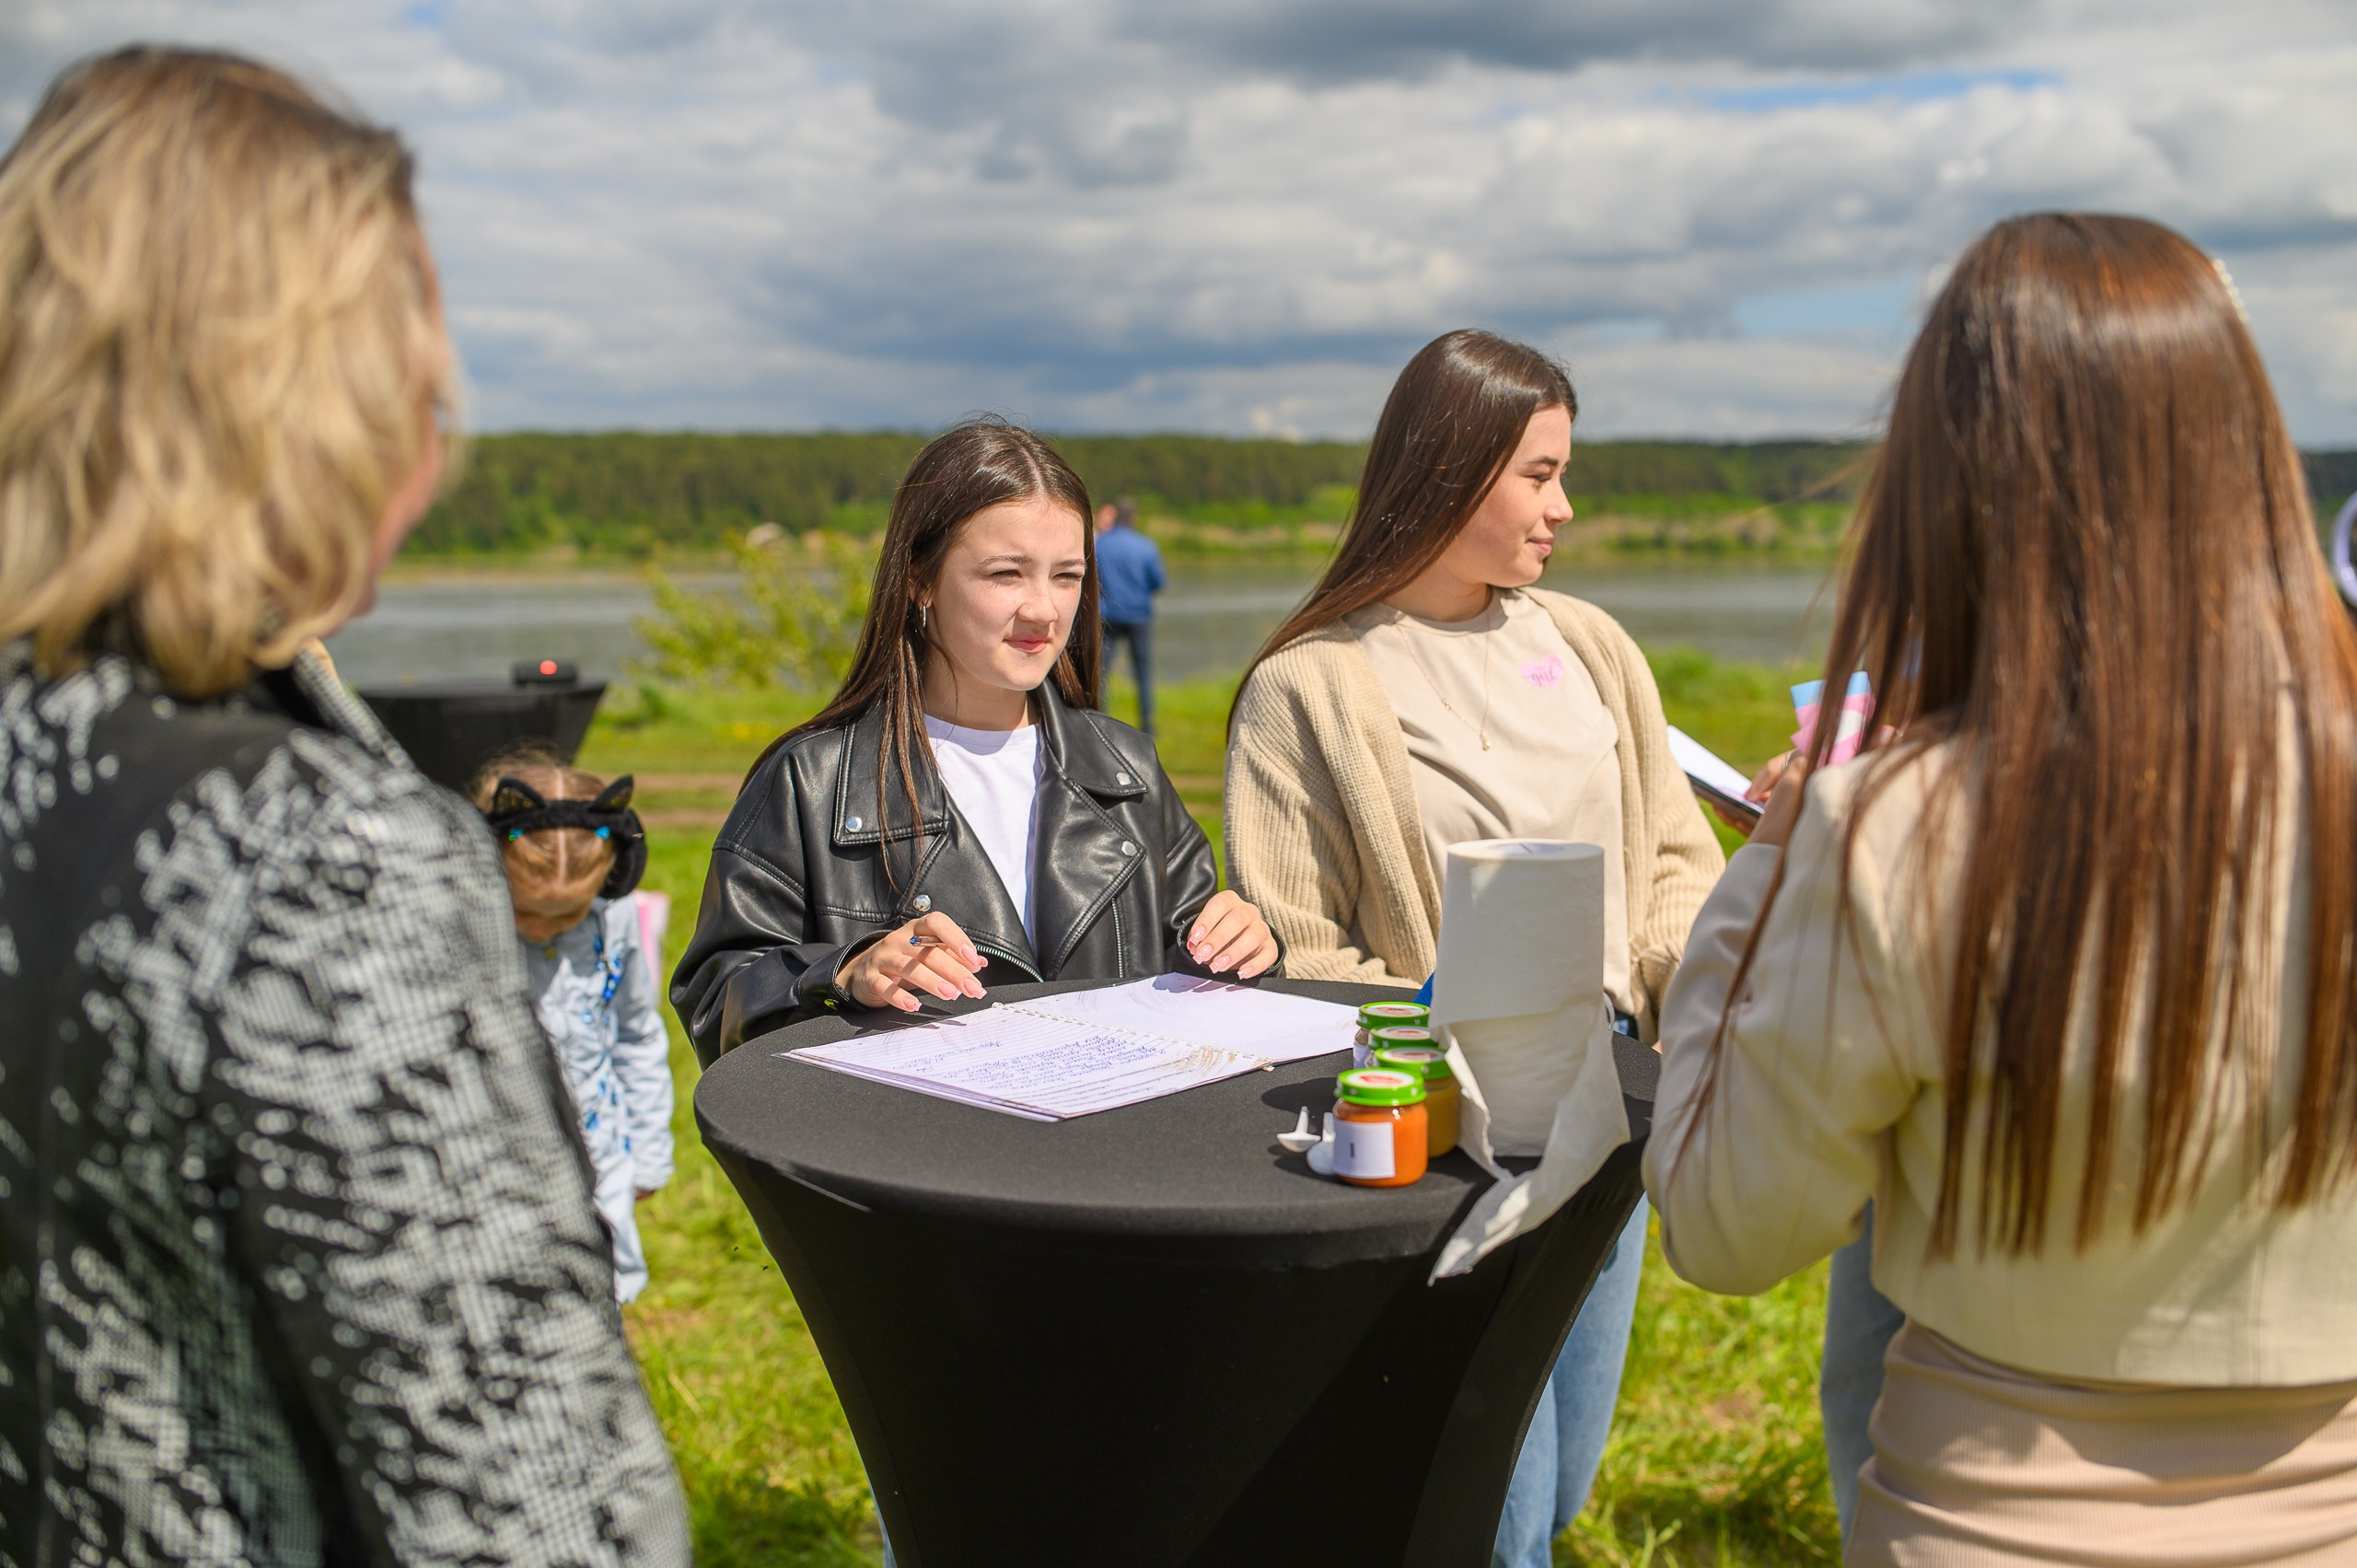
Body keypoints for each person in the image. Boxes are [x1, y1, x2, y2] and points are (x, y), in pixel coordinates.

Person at [0, 47, 687, 1564]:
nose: (435, 441)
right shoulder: (321, 856)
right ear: (305, 404)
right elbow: (534, 1510)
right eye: (413, 372)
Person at [1646, 213, 2357, 1564]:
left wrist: (1776, 856)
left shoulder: (1895, 828)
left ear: (1950, 475)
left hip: (1987, 1516)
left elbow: (1726, 1225)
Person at [1223, 330, 1724, 1566]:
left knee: (1559, 1483)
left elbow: (1672, 853)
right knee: (1493, 1503)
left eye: (1564, 472)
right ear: (1448, 472)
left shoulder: (1594, 645)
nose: (1564, 505)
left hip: (1616, 1094)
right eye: (1539, 474)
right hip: (1452, 1126)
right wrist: (1460, 1022)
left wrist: (1675, 1018)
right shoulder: (1311, 686)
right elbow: (1297, 954)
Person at [672, 417, 1278, 1063]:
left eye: (1067, 576)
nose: (1044, 610)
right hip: (917, 1159)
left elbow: (1189, 964)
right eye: (1006, 573)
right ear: (919, 579)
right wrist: (842, 975)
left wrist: (1237, 950)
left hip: (1113, 1155)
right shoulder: (809, 782)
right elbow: (717, 1001)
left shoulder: (1127, 767)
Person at [472, 753, 675, 1303]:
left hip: (598, 1151)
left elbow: (635, 1032)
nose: (545, 930)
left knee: (598, 1293)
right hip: (494, 1166)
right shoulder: (464, 934)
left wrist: (649, 1149)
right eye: (527, 912)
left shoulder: (616, 921)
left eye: (566, 916)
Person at [1093, 495, 1167, 736]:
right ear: (1133, 519)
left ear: (1114, 517)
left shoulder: (1100, 545)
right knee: (1143, 673)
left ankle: (1100, 723)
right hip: (1139, 616)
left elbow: (1092, 581)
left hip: (1108, 616)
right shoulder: (1147, 546)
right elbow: (1158, 582)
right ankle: (1148, 727)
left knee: (1102, 674)